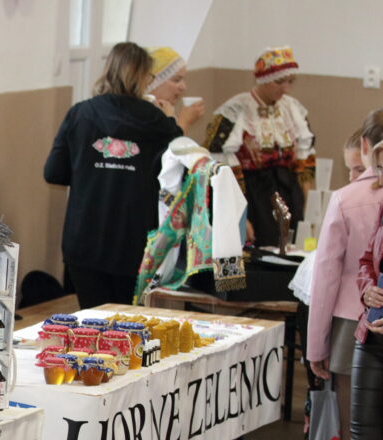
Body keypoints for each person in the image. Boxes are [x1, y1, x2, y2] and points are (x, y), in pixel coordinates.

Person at [44, 41, 183, 308]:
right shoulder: (157, 123)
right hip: (134, 242)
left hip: (85, 239)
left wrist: (92, 172)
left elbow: (53, 173)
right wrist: (171, 121)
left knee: (91, 319)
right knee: (127, 321)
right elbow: (176, 177)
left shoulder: (80, 114)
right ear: (144, 77)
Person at [303, 112, 383, 440]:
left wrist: (315, 347)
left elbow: (326, 278)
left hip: (351, 325)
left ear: (367, 147)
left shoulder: (349, 198)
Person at [205, 46, 316, 246]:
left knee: (290, 245)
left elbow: (305, 159)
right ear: (263, 79)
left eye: (290, 81)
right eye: (279, 82)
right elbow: (220, 167)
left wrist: (309, 203)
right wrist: (239, 214)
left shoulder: (292, 108)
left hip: (288, 190)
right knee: (261, 247)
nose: (286, 88)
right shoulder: (235, 110)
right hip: (253, 194)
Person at [146, 47, 205, 134]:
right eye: (176, 80)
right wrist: (184, 121)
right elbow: (167, 142)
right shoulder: (140, 115)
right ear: (153, 82)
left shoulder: (165, 111)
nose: (183, 87)